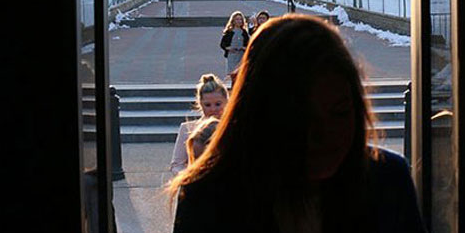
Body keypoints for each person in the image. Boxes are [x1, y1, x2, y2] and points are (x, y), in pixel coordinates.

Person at [168, 14, 426, 232]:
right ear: (260, 114)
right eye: (301, 117)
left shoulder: (389, 178)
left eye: (340, 113)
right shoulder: (207, 194)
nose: (324, 136)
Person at [170, 74, 228, 176]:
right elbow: (177, 165)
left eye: (218, 104)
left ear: (226, 102)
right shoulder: (187, 129)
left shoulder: (234, 128)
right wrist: (191, 176)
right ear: (200, 104)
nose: (213, 109)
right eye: (208, 105)